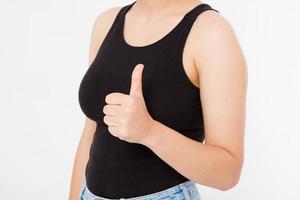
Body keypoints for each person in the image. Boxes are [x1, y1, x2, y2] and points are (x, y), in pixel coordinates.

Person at [69, 0, 247, 199]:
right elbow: (90, 133)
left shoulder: (211, 33)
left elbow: (228, 174)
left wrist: (149, 132)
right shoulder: (107, 22)